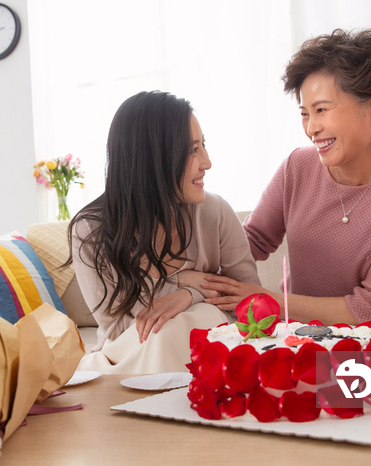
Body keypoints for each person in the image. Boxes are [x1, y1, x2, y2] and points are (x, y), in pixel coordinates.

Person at [203, 29, 371, 330]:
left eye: (322, 110)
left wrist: (267, 300)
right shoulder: (297, 166)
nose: (311, 128)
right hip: (299, 337)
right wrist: (183, 282)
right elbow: (248, 243)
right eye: (304, 113)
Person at [69, 91, 260, 373]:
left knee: (195, 317)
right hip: (133, 355)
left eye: (203, 145)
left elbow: (251, 306)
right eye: (193, 150)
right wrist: (184, 281)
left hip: (208, 359)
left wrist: (188, 294)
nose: (207, 162)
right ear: (153, 158)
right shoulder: (90, 231)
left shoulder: (215, 211)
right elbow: (119, 330)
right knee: (162, 330)